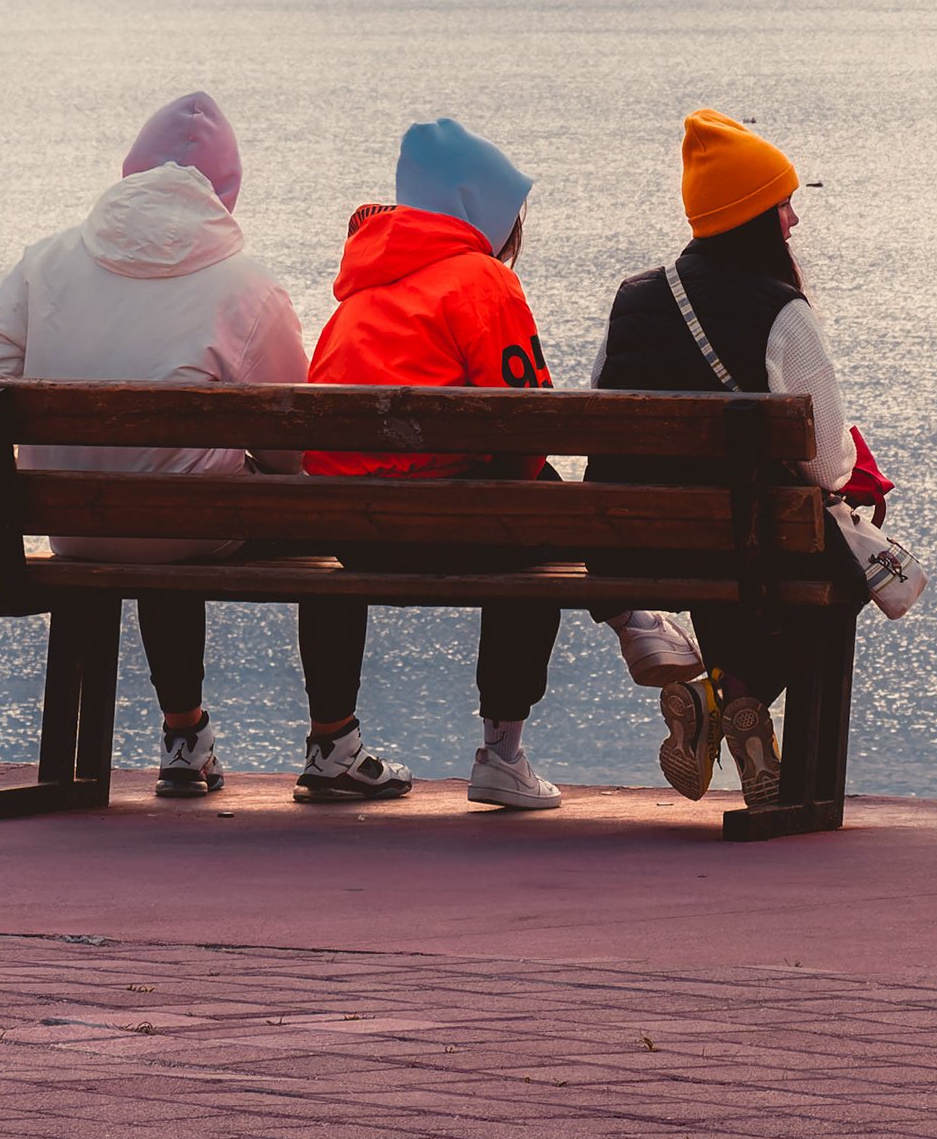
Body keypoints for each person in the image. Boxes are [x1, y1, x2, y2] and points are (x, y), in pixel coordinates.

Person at [289, 118, 698, 806]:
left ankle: (330, 744)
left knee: (517, 494)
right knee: (535, 498)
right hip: (447, 527)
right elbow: (526, 423)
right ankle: (508, 748)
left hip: (349, 533)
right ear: (481, 212)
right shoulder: (481, 282)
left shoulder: (356, 293)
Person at [0, 92, 307, 802]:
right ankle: (304, 739)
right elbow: (291, 448)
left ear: (131, 171)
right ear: (225, 194)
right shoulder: (248, 286)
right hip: (187, 530)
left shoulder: (47, 262)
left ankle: (184, 735)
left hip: (73, 529)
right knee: (190, 502)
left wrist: (6, 491)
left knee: (167, 500)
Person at [587, 110, 892, 810]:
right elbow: (825, 466)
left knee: (722, 541)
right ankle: (730, 698)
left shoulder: (634, 298)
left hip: (639, 542)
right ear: (756, 216)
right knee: (831, 565)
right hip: (743, 543)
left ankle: (728, 703)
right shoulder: (784, 312)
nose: (793, 222)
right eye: (784, 205)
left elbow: (601, 412)